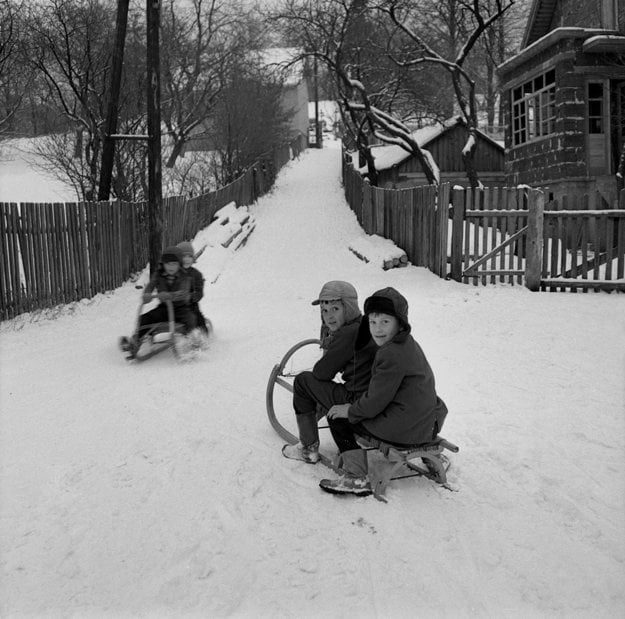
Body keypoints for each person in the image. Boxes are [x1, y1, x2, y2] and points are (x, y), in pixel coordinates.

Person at [318, 287, 448, 497]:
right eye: (372, 322)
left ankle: (355, 476)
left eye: (385, 322)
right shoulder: (407, 344)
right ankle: (425, 449)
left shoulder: (390, 353)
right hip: (428, 425)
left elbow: (374, 402)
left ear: (400, 323)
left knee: (337, 415)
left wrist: (349, 410)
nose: (377, 329)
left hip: (402, 431)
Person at [282, 281, 378, 464]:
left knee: (303, 381)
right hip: (373, 397)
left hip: (356, 400)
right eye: (324, 311)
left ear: (348, 308)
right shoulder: (366, 324)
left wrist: (331, 345)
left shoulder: (348, 333)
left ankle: (307, 446)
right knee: (329, 388)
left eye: (335, 309)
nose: (329, 317)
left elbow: (321, 373)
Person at [120, 246, 194, 355]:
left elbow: (184, 292)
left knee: (191, 319)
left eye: (174, 264)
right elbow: (150, 286)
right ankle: (135, 342)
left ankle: (193, 342)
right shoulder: (159, 275)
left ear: (179, 265)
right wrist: (147, 294)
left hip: (180, 308)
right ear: (163, 264)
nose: (171, 267)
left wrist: (170, 295)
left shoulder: (184, 276)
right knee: (145, 318)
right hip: (164, 308)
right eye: (168, 264)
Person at [177, 241, 210, 336]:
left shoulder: (196, 275)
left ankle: (204, 335)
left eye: (189, 256)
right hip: (174, 304)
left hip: (190, 305)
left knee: (197, 318)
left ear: (193, 258)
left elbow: (199, 293)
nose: (187, 259)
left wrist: (191, 297)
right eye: (184, 256)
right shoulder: (173, 273)